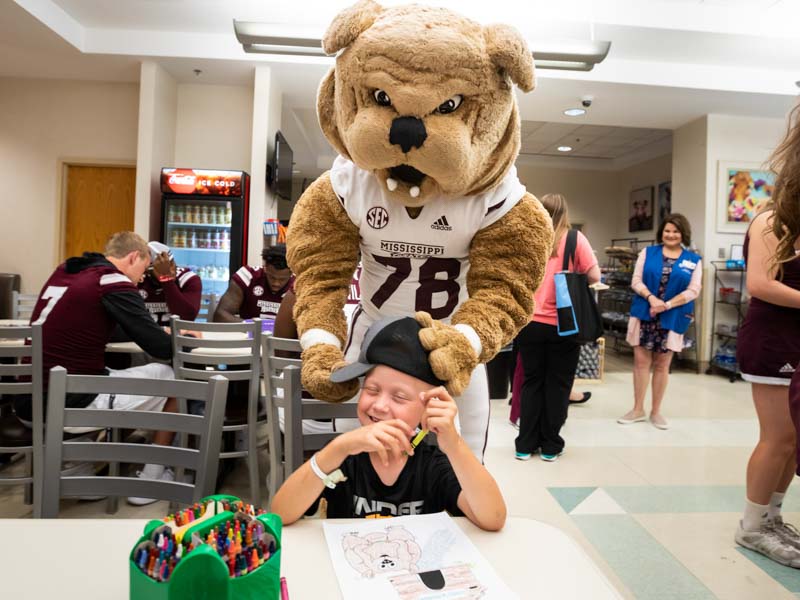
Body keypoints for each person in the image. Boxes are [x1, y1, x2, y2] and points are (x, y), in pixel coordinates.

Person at [270, 316, 507, 531]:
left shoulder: (433, 466)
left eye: (399, 397)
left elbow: (493, 518)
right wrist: (337, 448)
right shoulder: (344, 458)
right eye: (371, 390)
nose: (380, 405)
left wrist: (454, 445)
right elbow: (281, 514)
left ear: (428, 408)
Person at [13, 231, 178, 505]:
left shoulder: (67, 271)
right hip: (65, 404)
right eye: (143, 269)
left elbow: (97, 328)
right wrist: (175, 335)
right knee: (169, 377)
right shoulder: (113, 281)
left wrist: (153, 330)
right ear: (133, 256)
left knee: (101, 372)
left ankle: (78, 470)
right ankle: (151, 477)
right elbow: (161, 349)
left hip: (28, 400)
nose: (142, 278)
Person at [735, 104, 800, 567]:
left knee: (794, 439)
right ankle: (751, 525)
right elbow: (760, 283)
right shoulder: (770, 219)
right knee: (777, 437)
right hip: (772, 341)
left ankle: (772, 516)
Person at [514, 194, 600, 461]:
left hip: (529, 323)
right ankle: (551, 445)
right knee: (558, 385)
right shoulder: (575, 239)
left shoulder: (527, 237)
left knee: (531, 383)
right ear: (565, 212)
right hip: (564, 325)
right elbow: (595, 276)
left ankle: (525, 445)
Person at [618, 214, 701, 430]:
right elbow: (636, 280)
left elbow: (694, 290)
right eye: (667, 231)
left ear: (683, 234)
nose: (671, 235)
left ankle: (656, 411)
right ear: (661, 233)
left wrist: (668, 304)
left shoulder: (693, 260)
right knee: (641, 363)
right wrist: (652, 299)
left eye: (675, 231)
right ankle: (637, 409)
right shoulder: (648, 253)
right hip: (645, 313)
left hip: (672, 315)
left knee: (663, 365)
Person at [213, 244, 293, 322]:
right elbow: (220, 315)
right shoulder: (247, 276)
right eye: (272, 277)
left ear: (291, 273)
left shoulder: (298, 285)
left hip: (281, 335)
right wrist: (253, 327)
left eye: (282, 279)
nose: (276, 283)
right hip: (247, 333)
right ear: (265, 268)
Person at [137, 241, 201, 325]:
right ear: (147, 270)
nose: (169, 270)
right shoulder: (139, 278)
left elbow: (187, 317)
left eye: (172, 264)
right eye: (162, 267)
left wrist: (166, 279)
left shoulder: (188, 278)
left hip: (176, 334)